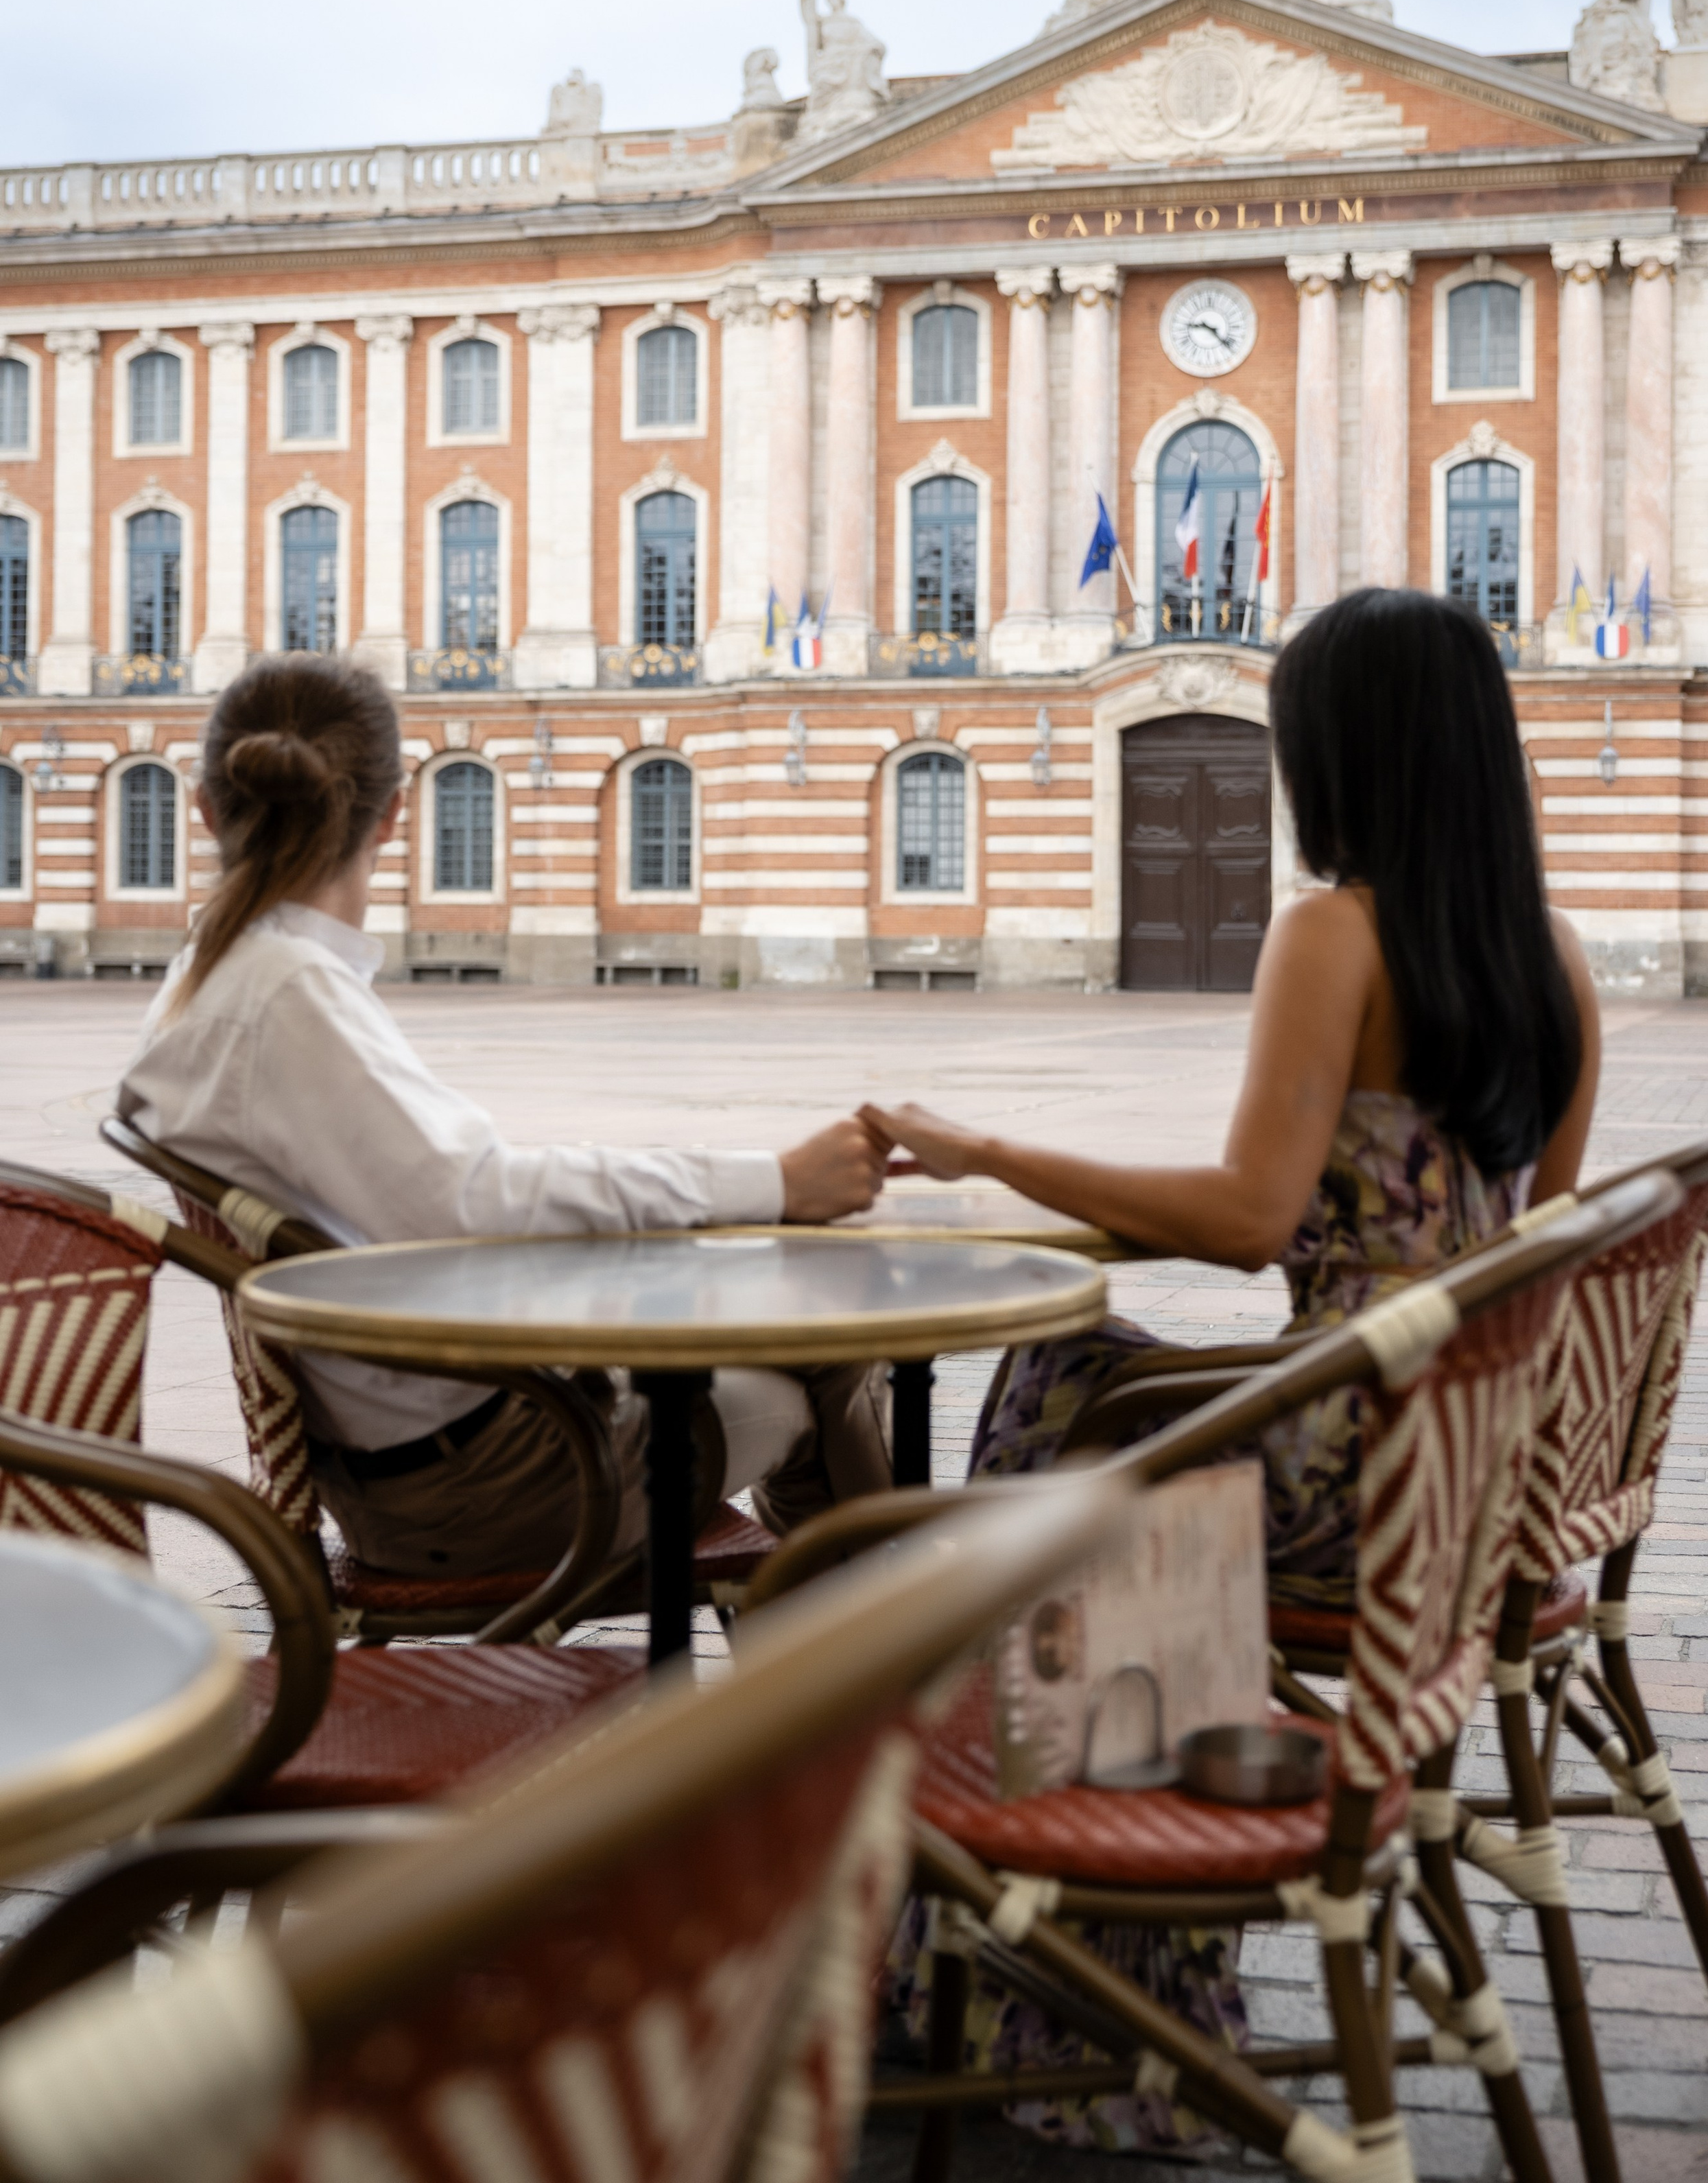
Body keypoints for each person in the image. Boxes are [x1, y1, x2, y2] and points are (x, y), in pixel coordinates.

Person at [864, 588, 1600, 2152]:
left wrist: (982, 1150)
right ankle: (1085, 1923)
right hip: (1452, 1469)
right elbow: (1528, 1251)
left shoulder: (1332, 932)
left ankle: (1058, 1915)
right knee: (1099, 1405)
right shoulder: (1558, 962)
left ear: (1341, 757)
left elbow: (1250, 1216)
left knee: (1058, 1383)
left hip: (1344, 1462)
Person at [119, 653, 892, 1583]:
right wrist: (776, 1183)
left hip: (416, 1464)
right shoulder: (282, 993)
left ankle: (842, 1660)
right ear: (396, 813)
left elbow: (445, 1202)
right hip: (508, 1485)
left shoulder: (218, 979)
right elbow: (476, 1199)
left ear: (205, 809)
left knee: (784, 1326)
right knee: (840, 1342)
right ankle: (895, 1665)